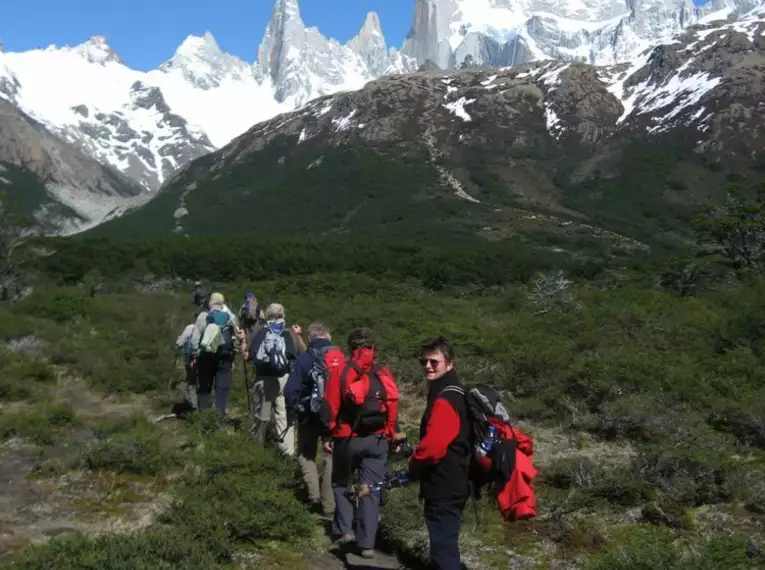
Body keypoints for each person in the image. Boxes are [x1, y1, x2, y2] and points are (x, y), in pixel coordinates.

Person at [325, 327, 402, 559]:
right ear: (373, 347)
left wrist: (329, 435)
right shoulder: (383, 372)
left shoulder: (340, 372)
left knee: (341, 483)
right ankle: (367, 543)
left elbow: (330, 408)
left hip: (347, 438)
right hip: (377, 440)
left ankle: (344, 530)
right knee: (371, 489)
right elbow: (392, 405)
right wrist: (391, 434)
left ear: (350, 348)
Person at [408, 336, 471, 570]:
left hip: (445, 482)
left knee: (443, 548)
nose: (427, 366)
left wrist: (414, 465)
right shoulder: (451, 390)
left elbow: (434, 447)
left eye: (434, 361)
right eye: (423, 361)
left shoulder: (446, 397)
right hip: (456, 478)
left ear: (449, 363)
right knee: (445, 542)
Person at [284, 322, 344, 518]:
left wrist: (296, 409)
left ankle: (313, 496)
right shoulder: (340, 358)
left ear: (310, 338)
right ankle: (329, 507)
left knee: (305, 454)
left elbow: (290, 390)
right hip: (334, 415)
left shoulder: (304, 358)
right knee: (330, 458)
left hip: (309, 415)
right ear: (328, 336)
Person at [246, 302, 305, 457]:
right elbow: (295, 354)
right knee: (284, 416)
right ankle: (287, 453)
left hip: (263, 379)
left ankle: (255, 450)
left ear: (267, 315)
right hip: (284, 378)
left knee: (262, 417)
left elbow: (251, 355)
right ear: (283, 315)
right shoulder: (287, 333)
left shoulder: (260, 332)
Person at [189, 292, 245, 417]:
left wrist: (194, 355)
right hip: (225, 356)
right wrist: (233, 358)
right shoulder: (231, 317)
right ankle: (220, 416)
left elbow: (194, 340)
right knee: (222, 388)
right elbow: (236, 339)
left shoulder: (203, 316)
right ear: (223, 303)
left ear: (210, 303)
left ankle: (204, 416)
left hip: (206, 356)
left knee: (204, 386)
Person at [174, 319, 198, 410]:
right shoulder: (208, 327)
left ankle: (194, 406)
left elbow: (180, 341)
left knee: (192, 381)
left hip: (190, 359)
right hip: (203, 360)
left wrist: (178, 346)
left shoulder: (190, 327)